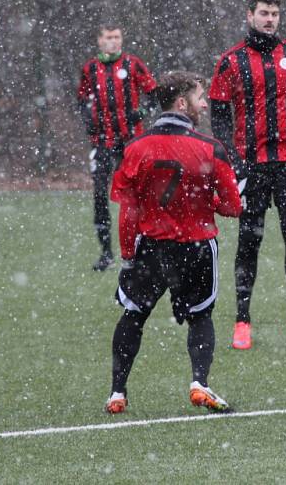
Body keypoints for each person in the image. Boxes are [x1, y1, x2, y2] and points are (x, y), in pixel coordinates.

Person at [104, 71, 242, 414]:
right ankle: (199, 383)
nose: (205, 104)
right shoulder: (210, 148)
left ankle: (117, 393)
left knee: (133, 315)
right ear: (182, 103)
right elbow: (233, 207)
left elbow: (128, 211)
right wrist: (203, 199)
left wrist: (127, 257)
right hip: (196, 247)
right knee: (201, 317)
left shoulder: (136, 148)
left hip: (151, 246)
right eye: (199, 98)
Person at [209, 0, 286, 349]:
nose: (270, 19)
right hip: (251, 165)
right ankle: (242, 321)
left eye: (275, 13)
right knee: (249, 240)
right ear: (249, 15)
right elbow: (220, 117)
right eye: (264, 13)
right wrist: (234, 161)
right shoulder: (230, 61)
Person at [77, 24, 158, 271]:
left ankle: (138, 249)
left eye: (117, 37)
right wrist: (89, 119)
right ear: (99, 41)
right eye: (108, 38)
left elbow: (154, 95)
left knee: (134, 195)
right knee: (100, 196)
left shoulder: (133, 65)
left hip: (131, 142)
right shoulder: (90, 69)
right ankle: (106, 253)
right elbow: (81, 100)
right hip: (102, 142)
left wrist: (141, 112)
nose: (114, 42)